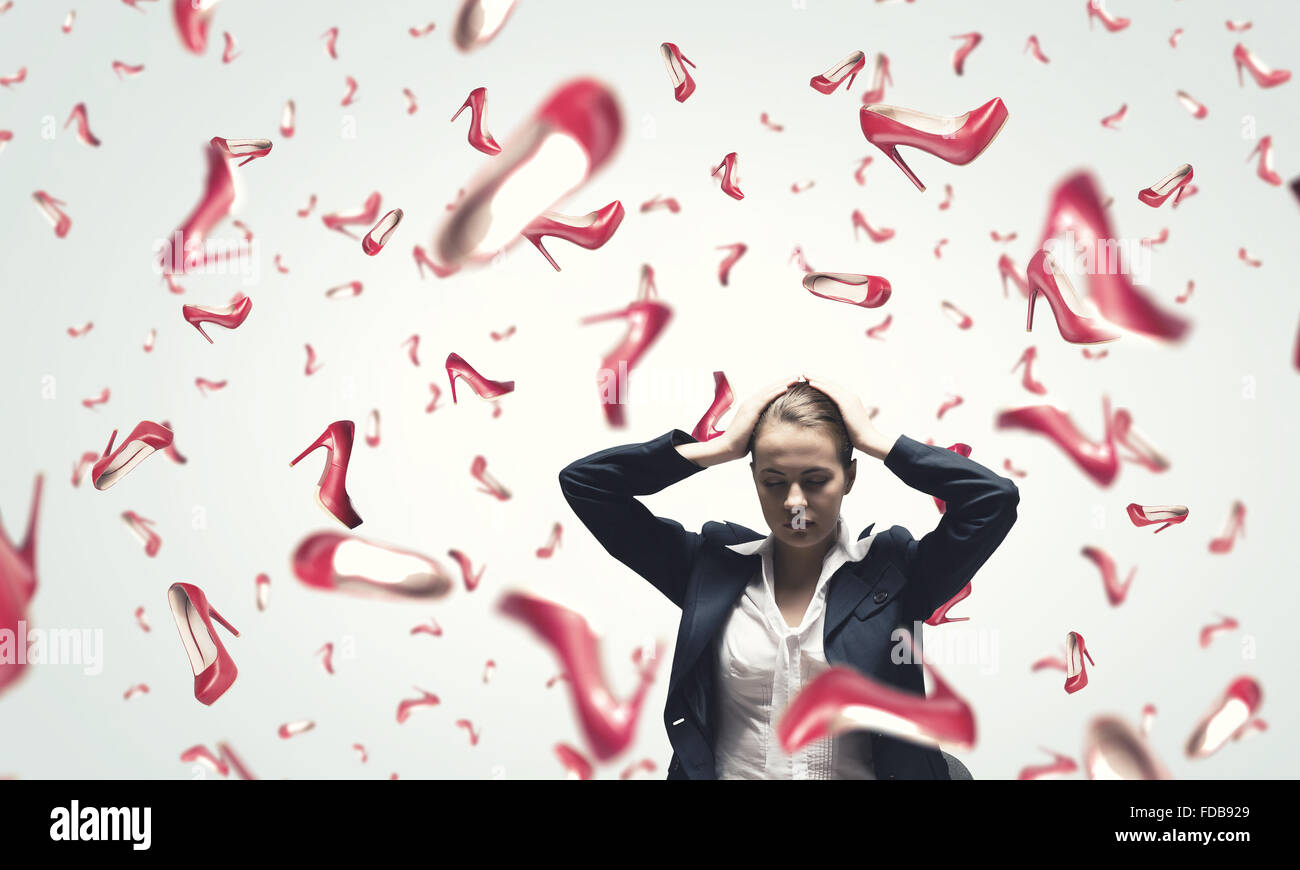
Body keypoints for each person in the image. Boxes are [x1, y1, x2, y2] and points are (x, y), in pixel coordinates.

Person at [557, 375, 1019, 779]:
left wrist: (878, 442)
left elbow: (992, 500)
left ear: (850, 477)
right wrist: (717, 448)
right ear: (753, 475)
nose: (795, 502)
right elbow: (587, 484)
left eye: (816, 480)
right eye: (774, 482)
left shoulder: (896, 574)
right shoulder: (709, 569)